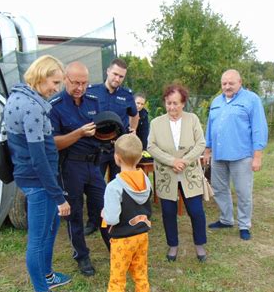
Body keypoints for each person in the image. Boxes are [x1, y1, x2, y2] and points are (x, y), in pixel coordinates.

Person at [5, 55, 73, 292]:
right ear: (41, 75)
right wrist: (58, 196)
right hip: (38, 181)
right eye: (54, 82)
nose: (56, 88)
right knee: (38, 237)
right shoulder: (32, 107)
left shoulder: (20, 96)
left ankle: (47, 276)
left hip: (33, 177)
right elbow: (39, 158)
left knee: (49, 229)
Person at [49, 61, 109, 277]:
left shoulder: (94, 100)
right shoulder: (54, 106)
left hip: (94, 164)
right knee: (74, 214)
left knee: (105, 208)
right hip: (70, 166)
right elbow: (54, 142)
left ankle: (114, 247)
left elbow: (101, 129)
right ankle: (81, 256)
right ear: (66, 79)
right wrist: (79, 133)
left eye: (84, 83)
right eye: (76, 83)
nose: (80, 88)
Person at [97, 134, 152, 292]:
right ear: (139, 159)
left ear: (117, 157)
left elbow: (111, 218)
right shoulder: (145, 178)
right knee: (140, 274)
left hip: (122, 241)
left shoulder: (114, 186)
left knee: (117, 281)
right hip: (141, 236)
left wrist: (104, 213)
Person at [204, 69, 268, 241]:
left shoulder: (251, 100)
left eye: (231, 83)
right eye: (224, 83)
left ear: (240, 82)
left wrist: (257, 155)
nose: (227, 86)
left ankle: (244, 224)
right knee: (218, 188)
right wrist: (207, 149)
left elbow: (259, 127)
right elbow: (210, 126)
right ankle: (226, 219)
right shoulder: (217, 101)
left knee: (243, 191)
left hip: (242, 155)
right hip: (219, 155)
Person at [148, 83, 208, 261]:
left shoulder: (192, 119)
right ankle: (173, 245)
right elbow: (151, 146)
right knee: (168, 212)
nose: (171, 107)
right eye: (168, 103)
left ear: (183, 103)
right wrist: (171, 161)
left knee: (196, 211)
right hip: (167, 175)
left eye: (175, 103)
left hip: (190, 174)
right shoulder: (156, 123)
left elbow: (201, 144)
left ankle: (199, 245)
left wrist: (185, 160)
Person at [84, 58, 138, 235]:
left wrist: (133, 131)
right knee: (95, 186)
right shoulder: (92, 92)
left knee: (121, 184)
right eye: (115, 74)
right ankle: (94, 220)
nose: (117, 78)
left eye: (121, 76)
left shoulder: (127, 95)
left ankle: (121, 218)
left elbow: (134, 114)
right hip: (96, 148)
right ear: (108, 71)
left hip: (118, 148)